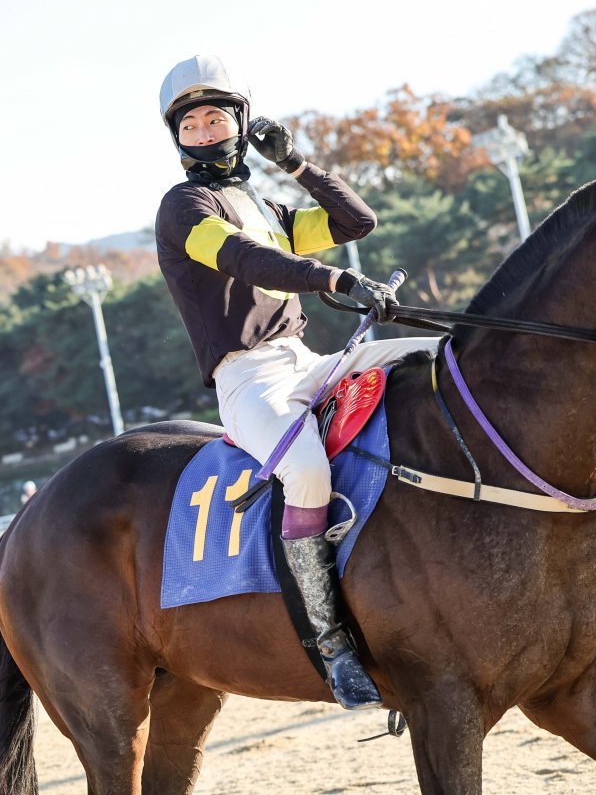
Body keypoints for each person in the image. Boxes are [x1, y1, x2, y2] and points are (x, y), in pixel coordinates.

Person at [155, 54, 437, 710]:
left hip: (303, 359)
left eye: (214, 117)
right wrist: (333, 280)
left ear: (239, 124)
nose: (203, 131)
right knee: (306, 473)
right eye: (190, 124)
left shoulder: (264, 203)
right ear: (178, 138)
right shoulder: (184, 207)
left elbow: (355, 222)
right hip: (247, 381)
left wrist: (300, 164)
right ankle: (332, 643)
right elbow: (243, 258)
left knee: (432, 353)